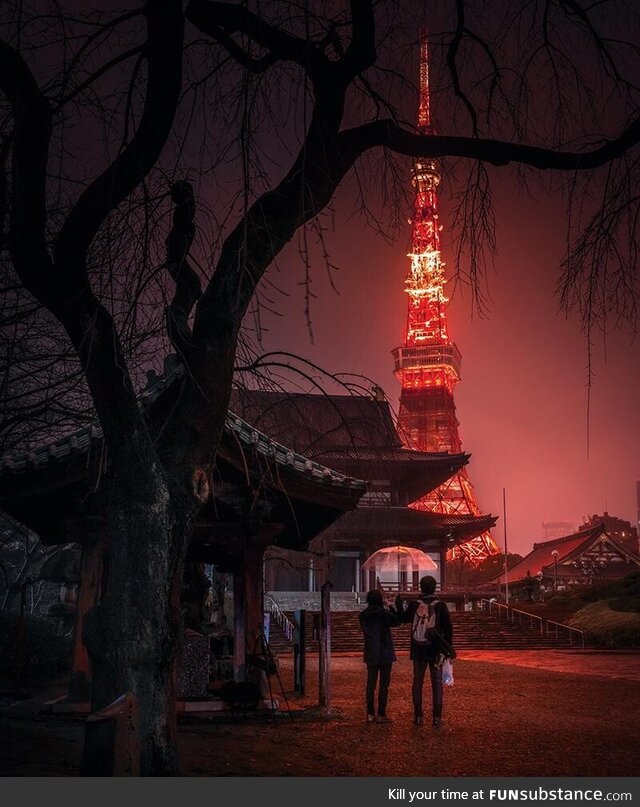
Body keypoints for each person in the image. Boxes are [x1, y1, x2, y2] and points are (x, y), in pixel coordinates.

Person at [396, 575, 455, 728]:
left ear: (421, 587)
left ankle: (418, 716)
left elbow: (403, 619)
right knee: (437, 682)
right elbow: (448, 630)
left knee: (417, 682)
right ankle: (436, 717)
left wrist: (397, 603)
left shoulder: (415, 605)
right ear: (434, 587)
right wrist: (447, 649)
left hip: (418, 648)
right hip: (436, 649)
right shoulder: (441, 606)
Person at [358, 589, 400, 723]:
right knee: (383, 685)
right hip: (386, 651)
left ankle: (370, 713)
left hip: (371, 651)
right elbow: (396, 622)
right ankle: (381, 714)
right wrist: (390, 606)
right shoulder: (384, 614)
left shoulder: (363, 615)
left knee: (370, 684)